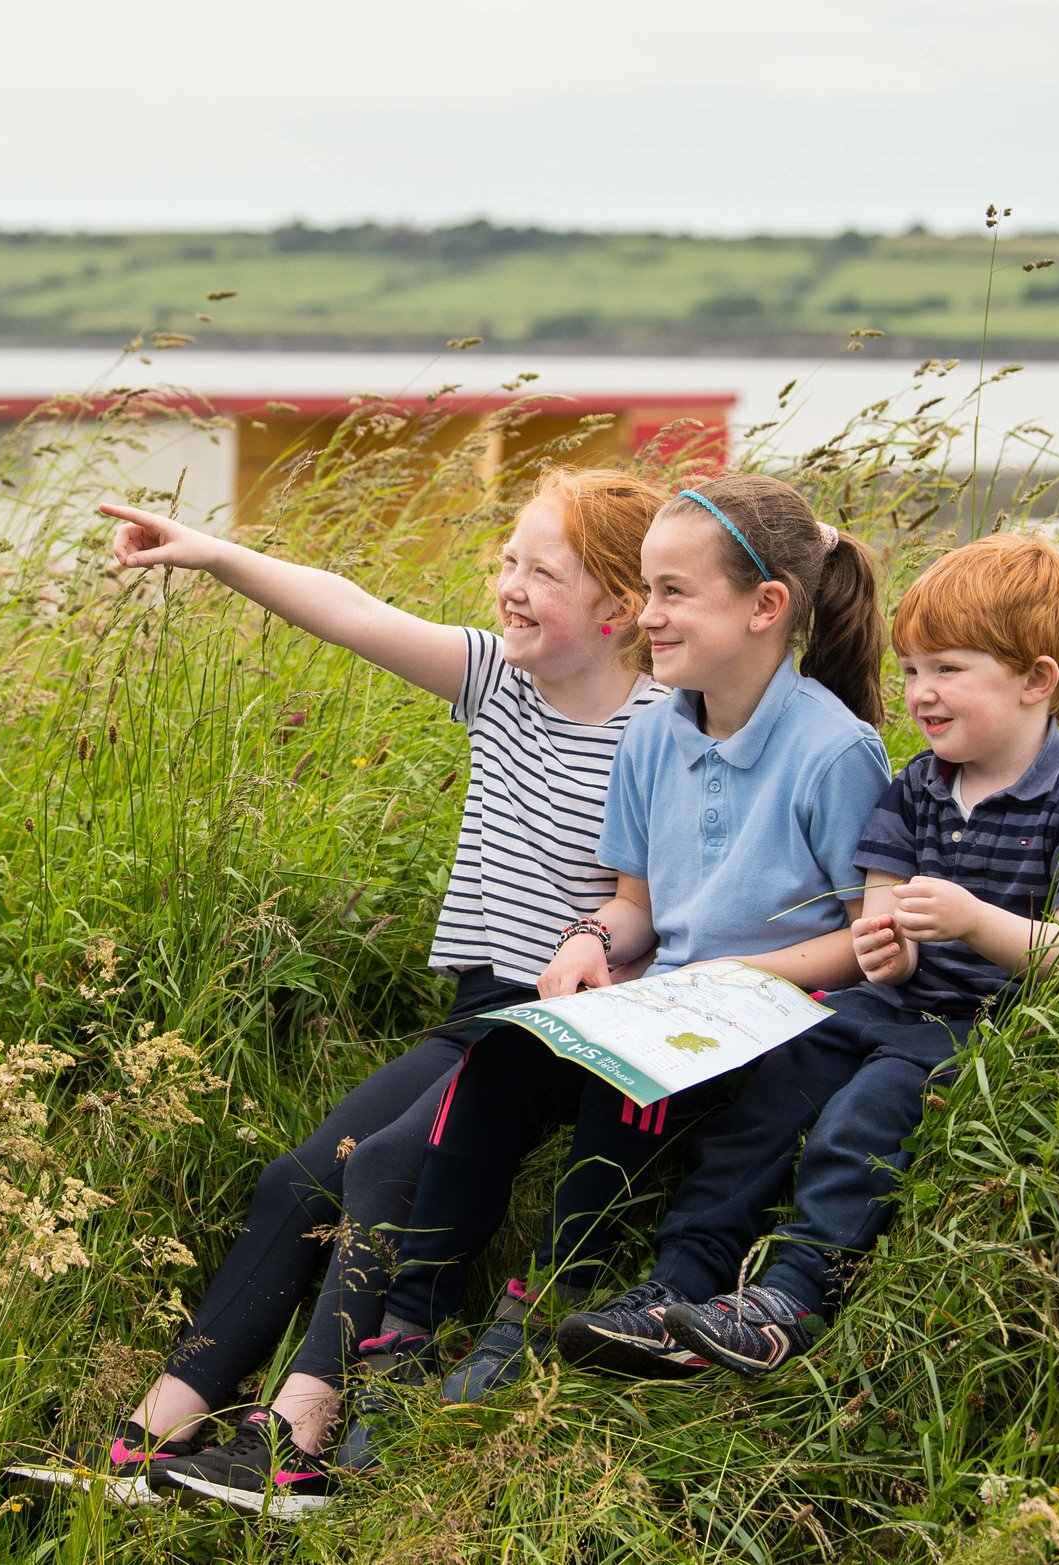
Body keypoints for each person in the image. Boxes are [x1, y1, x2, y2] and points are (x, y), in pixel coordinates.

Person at [5, 468, 669, 1518]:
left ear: (618, 607)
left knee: (393, 1161)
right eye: (506, 559)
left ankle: (296, 1447)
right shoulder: (497, 680)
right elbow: (352, 610)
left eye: (539, 570)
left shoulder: (664, 729)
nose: (506, 584)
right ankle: (148, 1439)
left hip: (570, 1029)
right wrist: (213, 553)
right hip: (478, 1011)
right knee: (297, 1178)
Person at [339, 472, 894, 1446]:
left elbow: (871, 938)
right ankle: (405, 1324)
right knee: (502, 1052)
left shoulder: (832, 751)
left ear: (766, 608)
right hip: (677, 998)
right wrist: (589, 943)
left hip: (781, 1015)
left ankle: (546, 1289)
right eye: (643, 589)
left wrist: (739, 977)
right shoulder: (652, 732)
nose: (647, 615)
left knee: (632, 1071)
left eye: (672, 593)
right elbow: (634, 903)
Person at [653, 531, 1059, 1375]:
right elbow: (881, 920)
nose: (920, 692)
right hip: (900, 1001)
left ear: (1035, 680)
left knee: (865, 1113)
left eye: (948, 669)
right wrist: (887, 946)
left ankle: (789, 1299)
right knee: (778, 1071)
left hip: (984, 1023)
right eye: (912, 669)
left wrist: (971, 919)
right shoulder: (917, 784)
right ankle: (678, 1281)